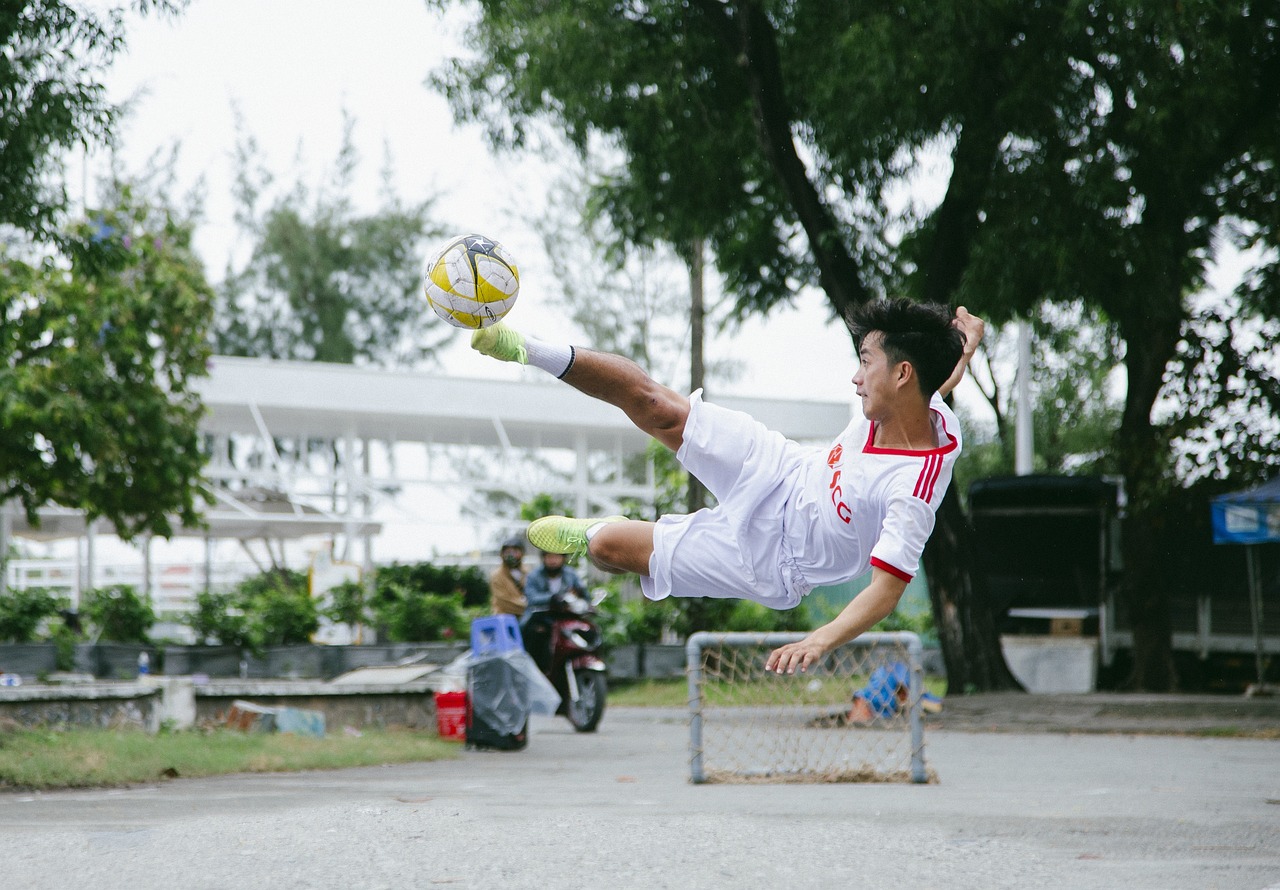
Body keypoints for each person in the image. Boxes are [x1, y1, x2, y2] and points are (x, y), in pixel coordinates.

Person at [471, 298, 984, 676]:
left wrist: (819, 641)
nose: (855, 378)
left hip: (773, 558)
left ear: (900, 374)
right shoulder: (912, 400)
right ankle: (520, 347)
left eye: (865, 362)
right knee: (658, 407)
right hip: (782, 469)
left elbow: (886, 591)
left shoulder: (913, 488)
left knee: (607, 548)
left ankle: (607, 531)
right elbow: (938, 377)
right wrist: (963, 342)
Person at [521, 549, 587, 673]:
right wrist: (552, 598)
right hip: (542, 618)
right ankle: (539, 672)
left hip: (566, 618)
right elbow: (531, 598)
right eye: (549, 557)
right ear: (543, 558)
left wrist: (581, 594)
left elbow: (583, 594)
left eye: (556, 556)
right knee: (537, 636)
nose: (553, 560)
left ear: (563, 558)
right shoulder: (533, 576)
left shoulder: (571, 574)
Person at [488, 535, 528, 617]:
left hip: (527, 616)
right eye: (508, 552)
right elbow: (504, 601)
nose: (511, 555)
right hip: (505, 617)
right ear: (502, 554)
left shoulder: (527, 572)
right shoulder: (497, 575)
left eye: (515, 551)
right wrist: (527, 606)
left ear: (522, 554)